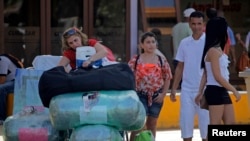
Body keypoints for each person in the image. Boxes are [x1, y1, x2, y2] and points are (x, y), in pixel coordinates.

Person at [170, 11, 209, 141]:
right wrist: (174, 88)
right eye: (193, 24)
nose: (196, 27)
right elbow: (180, 66)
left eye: (199, 24)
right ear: (189, 24)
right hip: (187, 90)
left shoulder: (210, 43)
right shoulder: (184, 43)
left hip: (205, 91)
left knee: (206, 131)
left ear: (203, 24)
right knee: (186, 130)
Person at [195, 17, 241, 126]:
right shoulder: (213, 51)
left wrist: (200, 92)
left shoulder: (217, 49)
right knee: (215, 124)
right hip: (215, 90)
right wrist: (234, 90)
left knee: (230, 123)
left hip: (221, 90)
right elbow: (217, 76)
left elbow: (206, 74)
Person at [128, 32, 172, 141]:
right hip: (140, 95)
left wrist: (163, 94)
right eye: (147, 42)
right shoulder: (136, 60)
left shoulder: (161, 60)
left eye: (153, 42)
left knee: (152, 123)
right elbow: (127, 76)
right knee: (139, 124)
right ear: (141, 45)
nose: (151, 45)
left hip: (156, 96)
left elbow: (167, 77)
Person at [0, 54, 23, 125]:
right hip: (8, 83)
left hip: (16, 82)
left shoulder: (2, 60)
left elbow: (2, 80)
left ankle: (1, 118)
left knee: (1, 88)